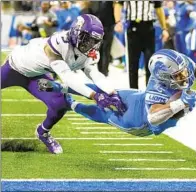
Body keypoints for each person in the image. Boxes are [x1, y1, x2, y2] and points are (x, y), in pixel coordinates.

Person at [38, 49, 196, 137]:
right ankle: (67, 98)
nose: (185, 77)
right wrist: (179, 104)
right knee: (104, 112)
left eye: (184, 72)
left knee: (108, 92)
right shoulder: (159, 88)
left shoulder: (182, 66)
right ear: (165, 77)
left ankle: (62, 90)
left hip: (138, 98)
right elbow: (154, 118)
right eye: (179, 75)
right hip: (137, 121)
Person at [1, 14, 124, 154]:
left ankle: (43, 132)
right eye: (87, 39)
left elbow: (95, 74)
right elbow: (68, 77)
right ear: (75, 32)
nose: (90, 44)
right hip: (14, 67)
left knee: (60, 104)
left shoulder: (90, 52)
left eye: (94, 41)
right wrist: (95, 96)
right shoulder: (59, 43)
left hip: (35, 76)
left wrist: (111, 93)